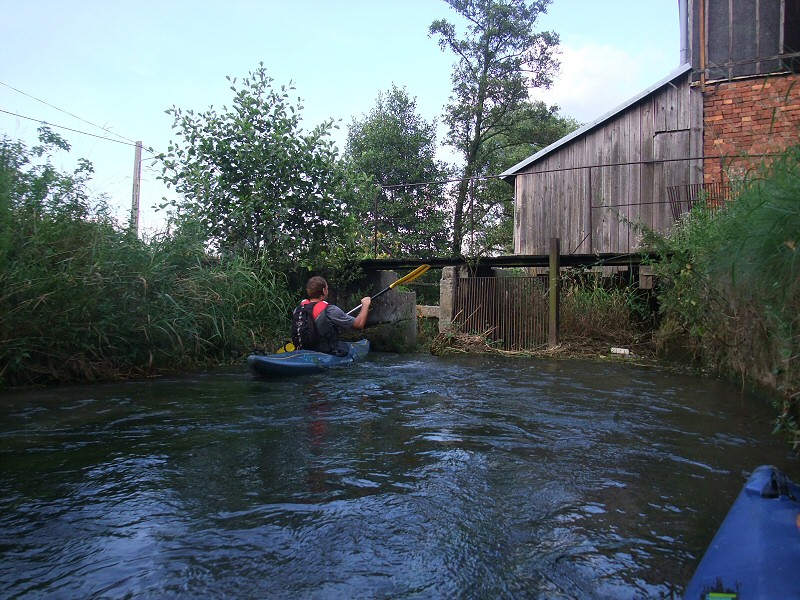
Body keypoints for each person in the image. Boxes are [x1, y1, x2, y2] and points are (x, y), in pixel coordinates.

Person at [295, 275, 371, 355]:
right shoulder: (330, 310)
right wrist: (365, 304)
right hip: (325, 353)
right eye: (327, 288)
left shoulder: (298, 309)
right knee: (343, 347)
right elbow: (359, 324)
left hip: (302, 350)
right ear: (324, 290)